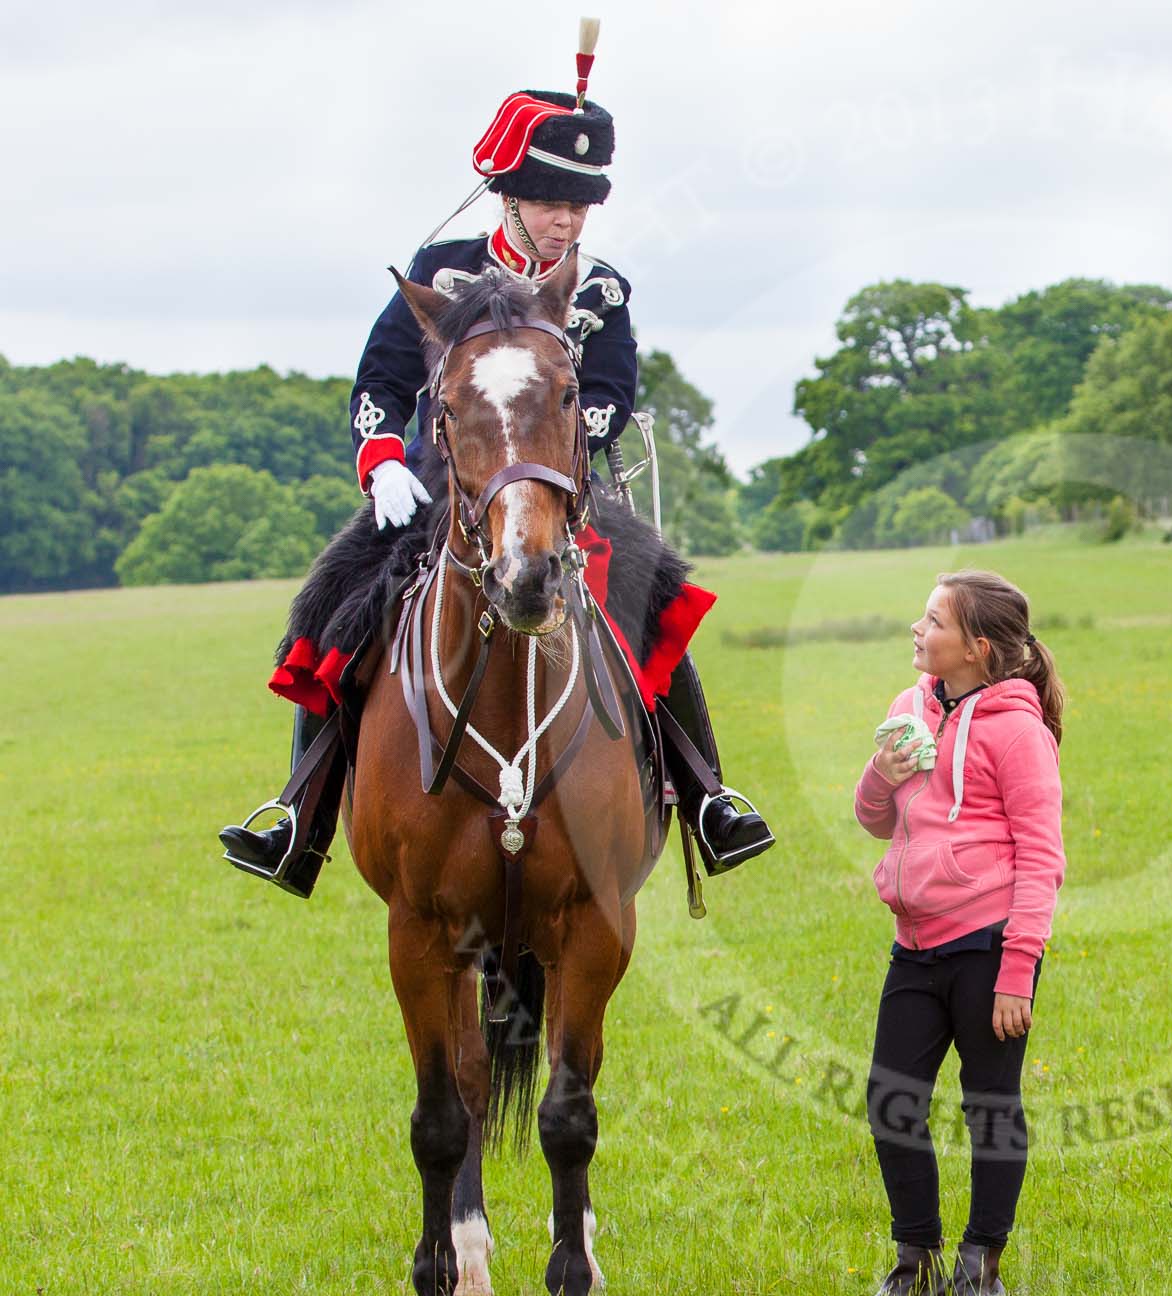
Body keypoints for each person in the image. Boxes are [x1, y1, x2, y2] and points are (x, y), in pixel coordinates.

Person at [218, 73, 769, 897]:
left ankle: (706, 795)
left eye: (579, 207)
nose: (566, 220)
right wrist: (385, 463)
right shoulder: (442, 274)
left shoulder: (600, 289)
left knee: (661, 603)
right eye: (551, 200)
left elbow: (613, 394)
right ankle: (301, 815)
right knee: (333, 610)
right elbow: (381, 380)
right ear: (507, 195)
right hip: (439, 496)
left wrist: (537, 461)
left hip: (556, 492)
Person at [844, 572, 1066, 1296]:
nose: (917, 628)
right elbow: (876, 817)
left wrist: (1018, 969)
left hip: (989, 943)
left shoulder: (1017, 729)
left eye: (933, 619)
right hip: (915, 943)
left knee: (990, 1105)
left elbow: (1042, 857)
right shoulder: (908, 708)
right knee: (891, 1100)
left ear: (975, 647)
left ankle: (982, 1266)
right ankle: (914, 1266)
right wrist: (883, 771)